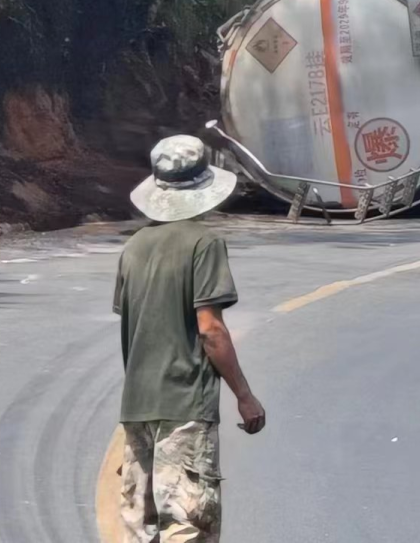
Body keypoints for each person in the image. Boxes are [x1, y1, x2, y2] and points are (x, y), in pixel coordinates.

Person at [115, 135, 266, 542]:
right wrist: (244, 394)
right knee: (188, 522)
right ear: (204, 187)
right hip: (184, 405)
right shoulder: (204, 243)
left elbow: (135, 325)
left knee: (138, 525)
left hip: (137, 404)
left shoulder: (133, 248)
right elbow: (210, 329)